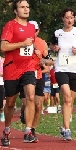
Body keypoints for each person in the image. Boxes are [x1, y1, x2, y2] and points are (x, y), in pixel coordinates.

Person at [0, 0, 39, 146]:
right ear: (16, 11)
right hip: (11, 68)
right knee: (10, 103)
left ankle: (28, 131)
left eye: (27, 7)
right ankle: (6, 130)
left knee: (30, 96)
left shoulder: (31, 27)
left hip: (28, 67)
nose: (26, 9)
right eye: (22, 7)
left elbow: (31, 43)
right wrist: (22, 43)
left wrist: (35, 50)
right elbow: (4, 46)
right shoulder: (10, 25)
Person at [19, 20, 51, 141]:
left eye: (35, 30)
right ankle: (24, 112)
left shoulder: (42, 43)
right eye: (31, 30)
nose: (34, 32)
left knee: (38, 105)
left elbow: (47, 64)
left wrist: (42, 59)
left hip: (38, 76)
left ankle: (32, 130)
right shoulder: (22, 42)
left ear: (38, 31)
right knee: (27, 103)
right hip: (24, 76)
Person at [50, 8, 76, 141]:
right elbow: (51, 45)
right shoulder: (57, 33)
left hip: (75, 70)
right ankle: (66, 129)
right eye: (67, 17)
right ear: (63, 19)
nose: (69, 20)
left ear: (74, 19)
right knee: (66, 97)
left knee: (70, 100)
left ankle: (64, 125)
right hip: (61, 69)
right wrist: (54, 48)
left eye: (71, 17)